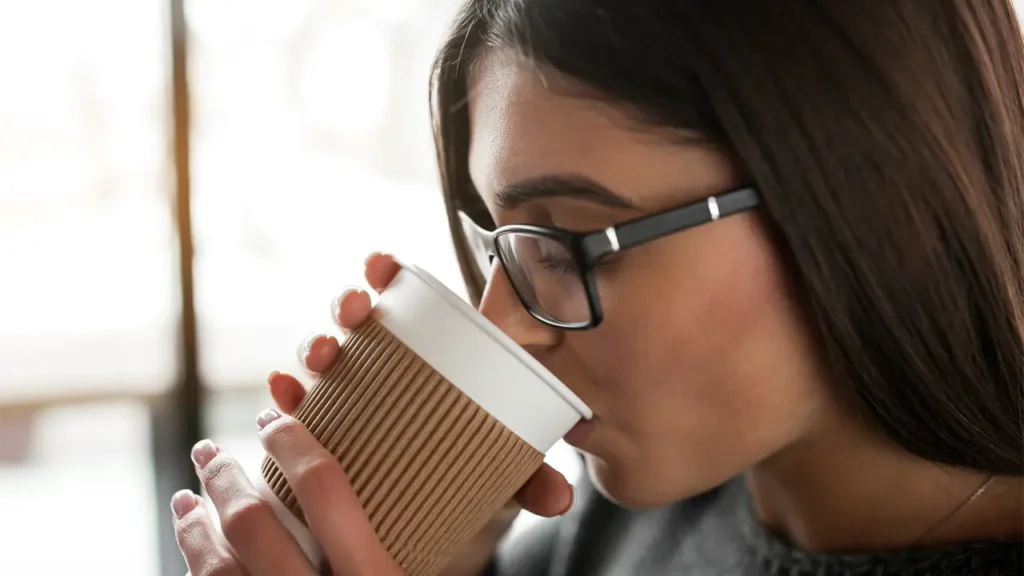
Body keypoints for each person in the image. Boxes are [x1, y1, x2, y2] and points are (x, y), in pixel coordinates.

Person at [169, 0, 1024, 574]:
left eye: (572, 239)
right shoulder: (626, 524)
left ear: (869, 199)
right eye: (500, 242)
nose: (505, 319)